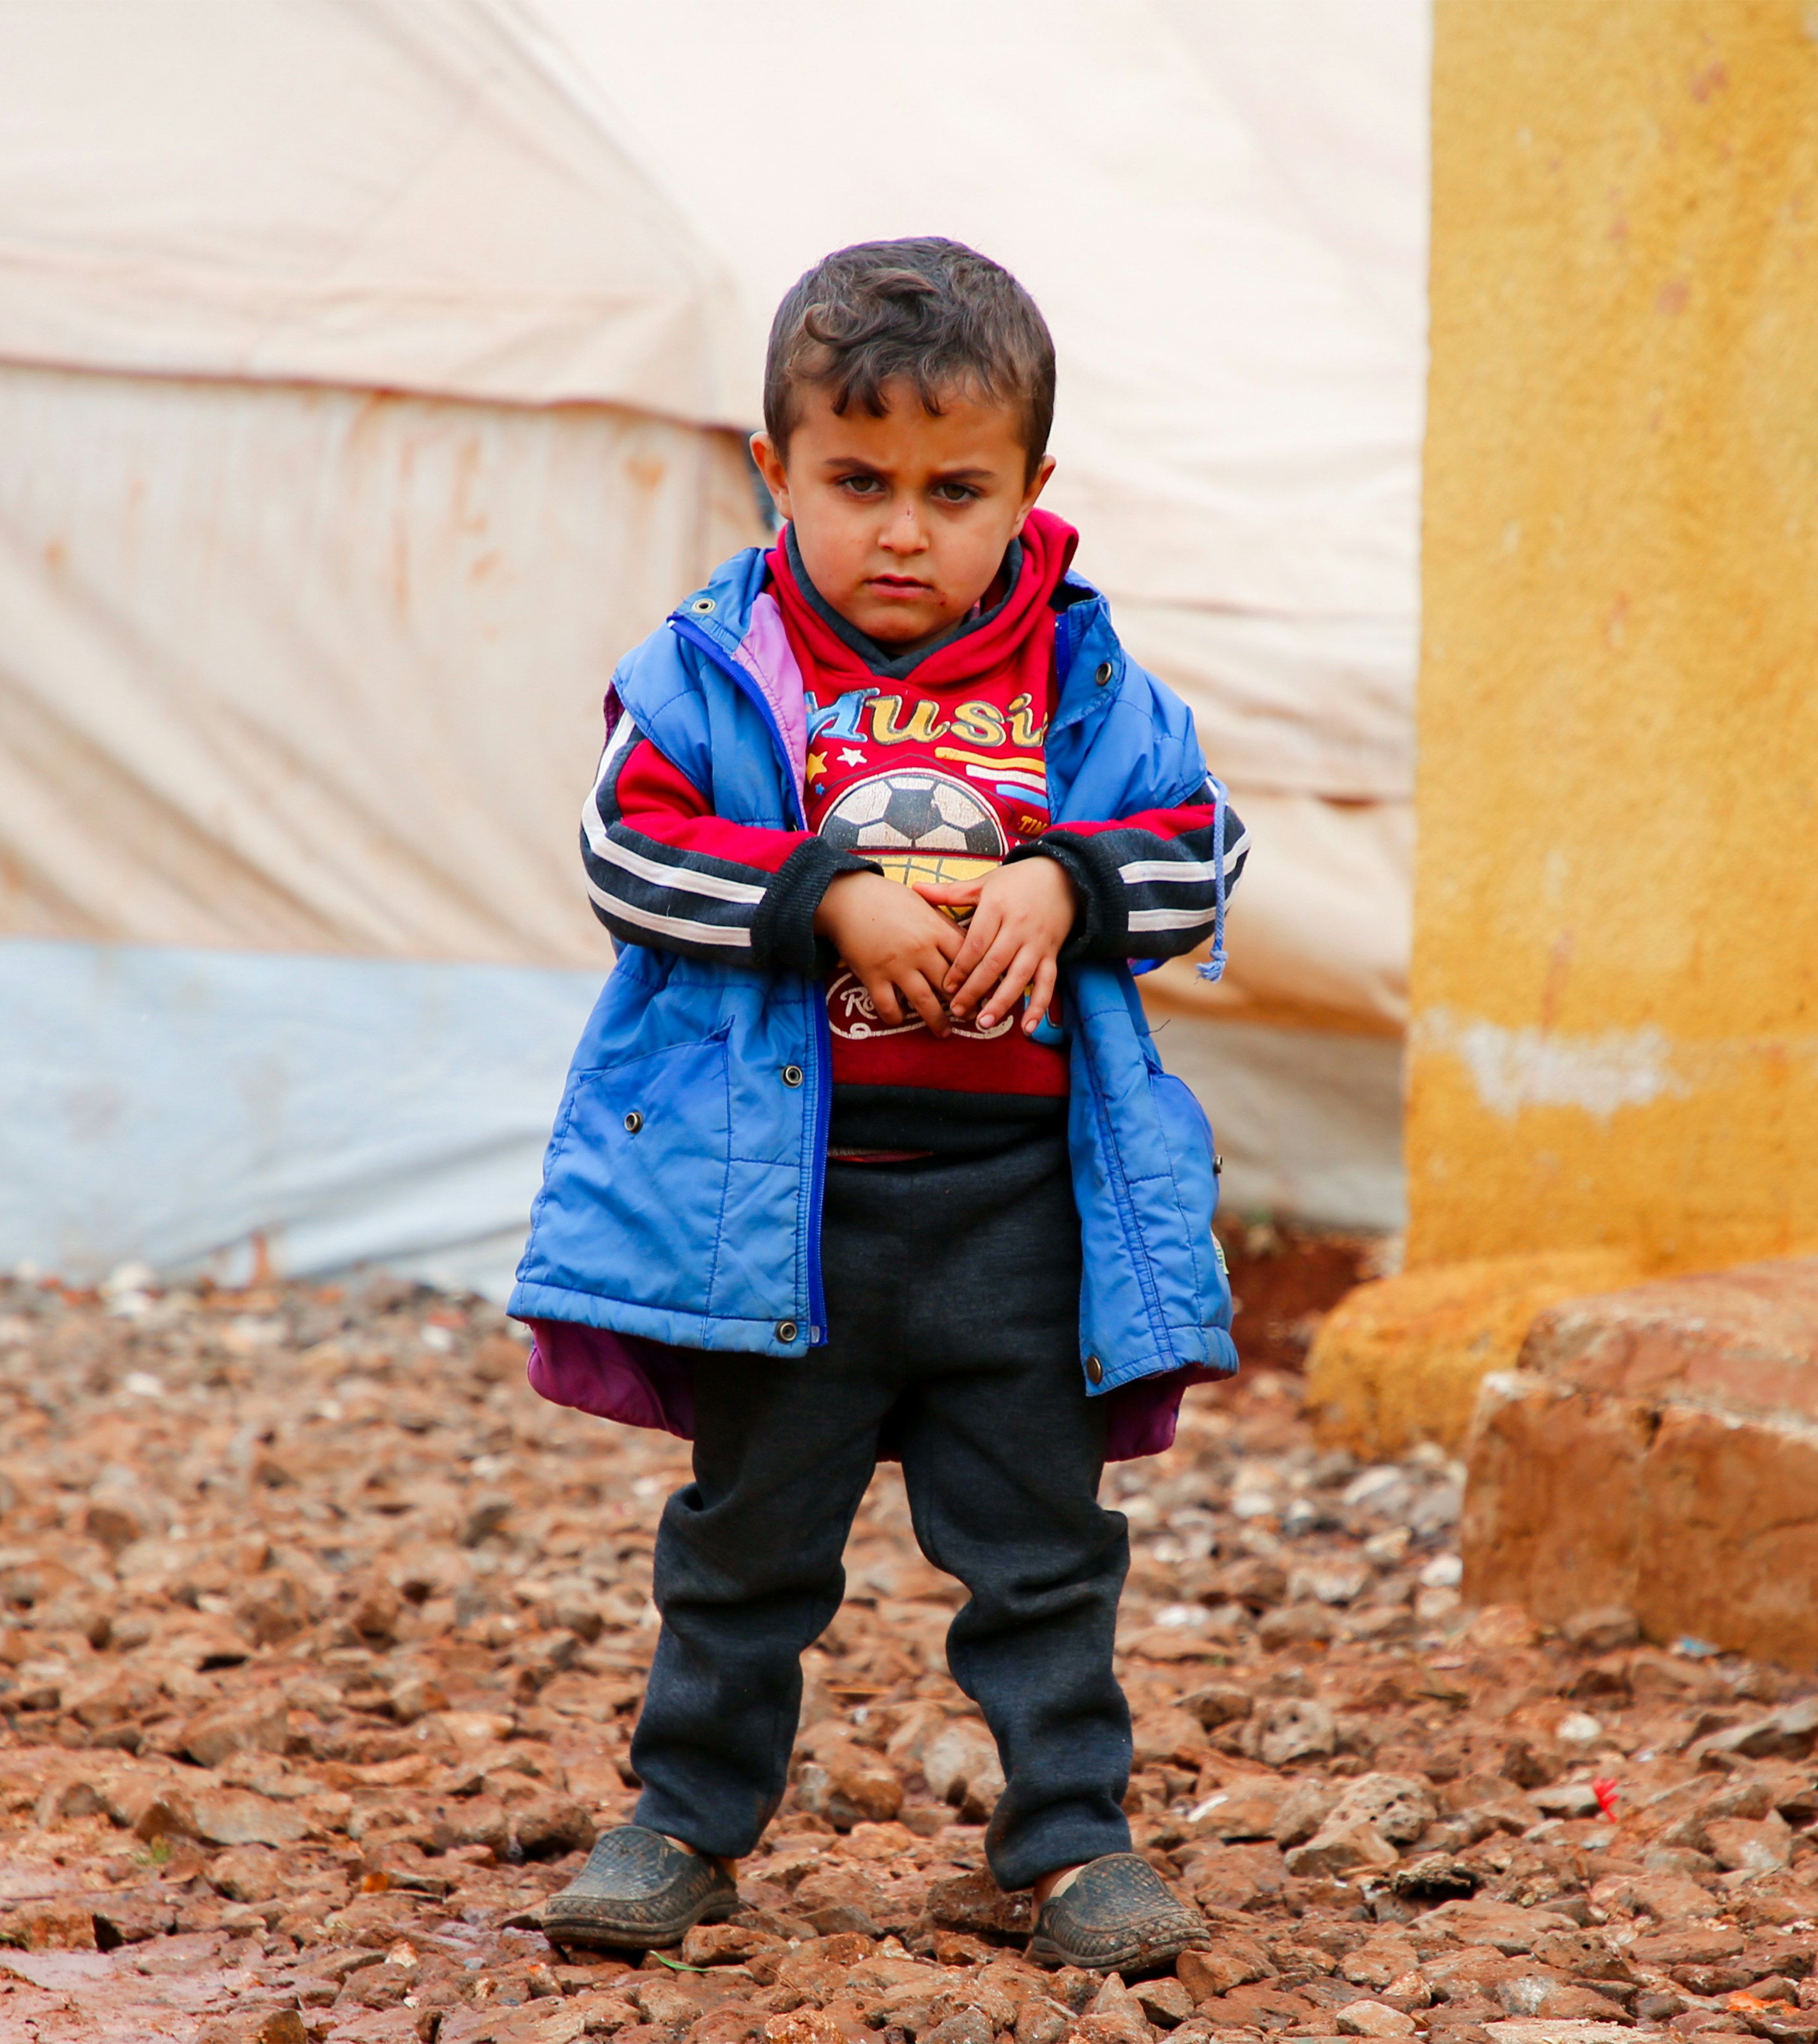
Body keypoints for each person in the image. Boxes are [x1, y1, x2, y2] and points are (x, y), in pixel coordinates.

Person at [507, 238, 1244, 1978]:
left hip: (1020, 1213)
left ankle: (1064, 1843)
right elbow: (630, 848)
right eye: (855, 481)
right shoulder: (721, 666)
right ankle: (683, 1821)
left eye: (952, 488)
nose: (900, 529)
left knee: (1043, 1554)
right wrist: (823, 895)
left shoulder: (1075, 680)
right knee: (748, 1544)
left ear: (1031, 491)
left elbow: (1200, 846)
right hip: (793, 1217)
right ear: (776, 473)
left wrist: (1068, 883)